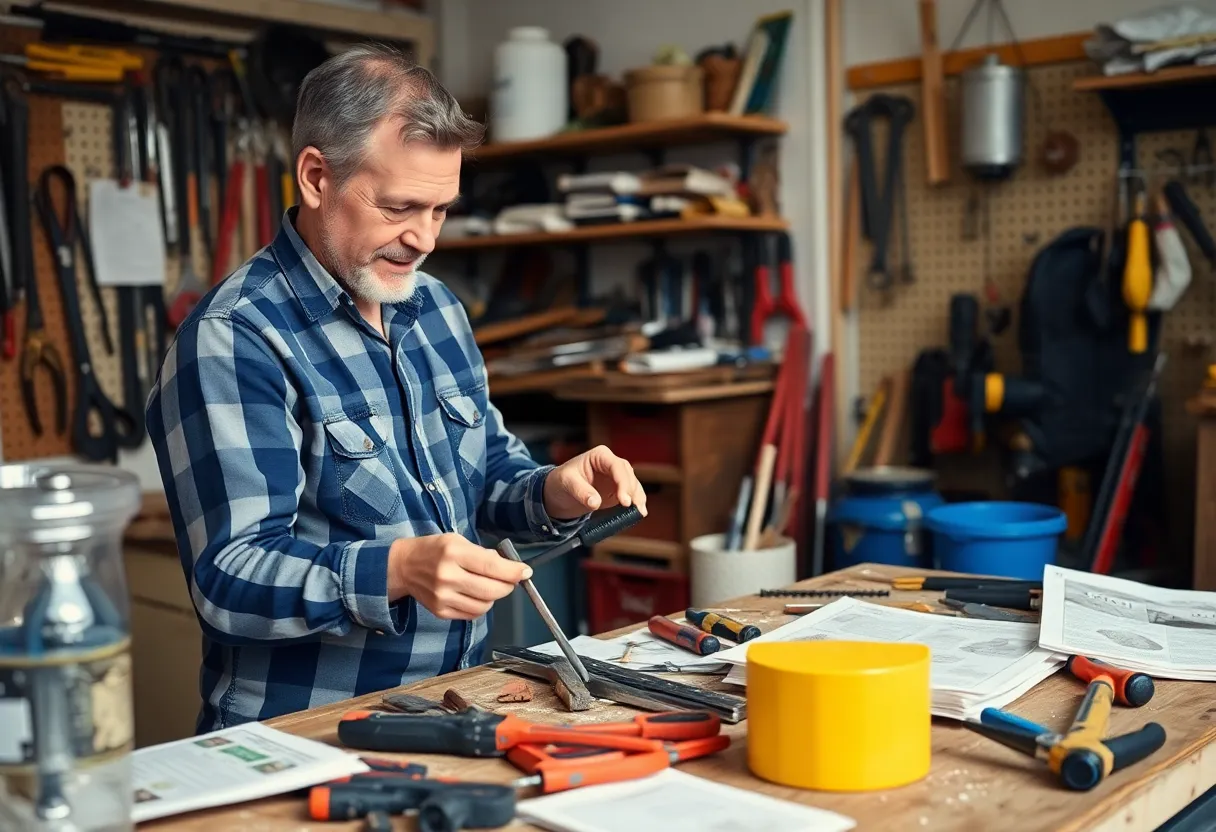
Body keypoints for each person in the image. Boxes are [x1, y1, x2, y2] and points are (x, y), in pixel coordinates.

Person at [145, 44, 648, 732]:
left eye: (441, 209)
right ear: (317, 177)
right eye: (401, 206)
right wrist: (400, 569)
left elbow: (484, 475)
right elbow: (229, 579)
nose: (425, 238)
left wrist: (552, 491)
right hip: (310, 733)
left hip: (458, 706)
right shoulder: (235, 339)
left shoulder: (436, 308)